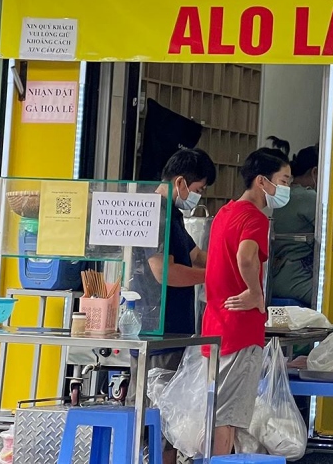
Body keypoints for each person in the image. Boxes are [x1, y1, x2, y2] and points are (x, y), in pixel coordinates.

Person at [202, 147, 293, 455]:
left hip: (214, 326)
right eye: (283, 180)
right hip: (239, 330)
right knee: (226, 418)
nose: (286, 188)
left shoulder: (225, 213)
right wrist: (255, 292)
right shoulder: (255, 217)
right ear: (261, 181)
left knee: (216, 411)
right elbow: (246, 256)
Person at [132, 147, 215, 464]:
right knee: (161, 416)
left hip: (176, 329)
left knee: (170, 413)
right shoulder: (156, 214)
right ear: (180, 182)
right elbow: (163, 272)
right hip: (158, 329)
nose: (198, 196)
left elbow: (195, 256)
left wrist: (233, 264)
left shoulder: (174, 215)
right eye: (198, 190)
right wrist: (212, 277)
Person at [270, 144, 319, 307]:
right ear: (315, 172)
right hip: (296, 278)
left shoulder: (287, 196)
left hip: (276, 275)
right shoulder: (309, 197)